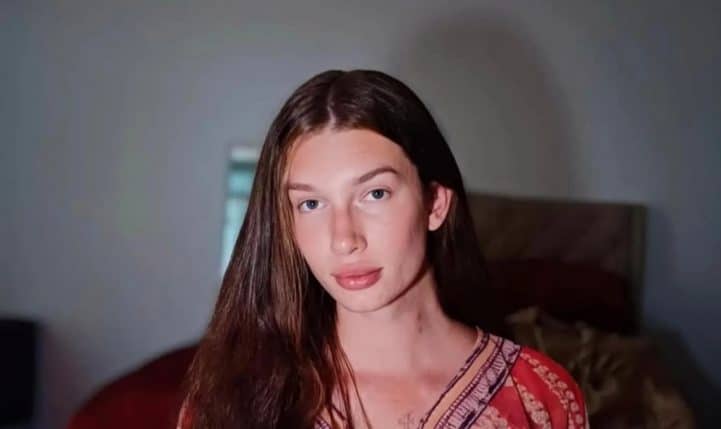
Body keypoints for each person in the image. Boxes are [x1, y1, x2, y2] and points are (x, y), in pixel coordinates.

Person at [178, 70, 588, 429]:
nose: (344, 238)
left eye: (375, 193)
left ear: (435, 204)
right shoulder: (231, 401)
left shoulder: (541, 398)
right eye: (311, 203)